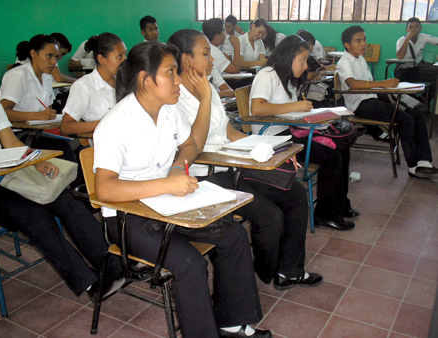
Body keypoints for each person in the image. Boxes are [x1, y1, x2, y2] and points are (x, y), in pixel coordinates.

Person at [93, 41, 271, 338]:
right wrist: (167, 183)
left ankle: (232, 322)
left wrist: (178, 167)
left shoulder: (167, 110)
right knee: (189, 263)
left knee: (234, 235)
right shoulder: (116, 124)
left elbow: (189, 145)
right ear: (144, 79)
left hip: (167, 204)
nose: (178, 81)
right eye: (170, 73)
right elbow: (105, 190)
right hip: (128, 219)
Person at [168, 29, 322, 292]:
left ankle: (290, 271)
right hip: (206, 173)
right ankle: (264, 271)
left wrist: (270, 150)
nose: (213, 60)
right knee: (270, 216)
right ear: (185, 60)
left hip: (234, 163)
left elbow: (229, 133)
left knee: (295, 194)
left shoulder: (209, 89)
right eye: (206, 54)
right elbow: (193, 148)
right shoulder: (174, 98)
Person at [0, 92, 123, 300]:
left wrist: (36, 160)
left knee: (65, 200)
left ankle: (112, 265)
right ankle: (89, 284)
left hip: (7, 176)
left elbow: (10, 142)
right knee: (33, 215)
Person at [249, 35, 357, 231]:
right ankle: (326, 215)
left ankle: (340, 205)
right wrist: (295, 106)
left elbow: (289, 112)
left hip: (289, 132)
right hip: (273, 140)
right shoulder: (268, 74)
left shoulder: (288, 78)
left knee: (342, 148)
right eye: (303, 60)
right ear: (289, 57)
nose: (306, 66)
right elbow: (257, 108)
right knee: (331, 158)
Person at [337, 25, 438, 179]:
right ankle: (413, 166)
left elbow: (369, 83)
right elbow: (352, 83)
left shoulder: (360, 58)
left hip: (372, 98)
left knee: (417, 113)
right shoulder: (345, 62)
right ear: (347, 45)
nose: (364, 44)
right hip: (360, 105)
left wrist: (387, 86)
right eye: (358, 41)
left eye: (364, 40)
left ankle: (424, 161)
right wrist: (383, 83)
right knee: (406, 120)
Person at [0, 34, 78, 172]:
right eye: (49, 56)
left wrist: (50, 115)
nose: (54, 62)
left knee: (77, 142)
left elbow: (47, 109)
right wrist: (36, 115)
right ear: (33, 54)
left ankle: (73, 187)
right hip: (16, 135)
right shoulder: (18, 76)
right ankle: (71, 190)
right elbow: (2, 113)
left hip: (38, 132)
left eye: (56, 57)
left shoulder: (46, 76)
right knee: (63, 147)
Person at [60, 33, 126, 137]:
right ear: (101, 59)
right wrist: (104, 123)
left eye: (124, 55)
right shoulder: (84, 86)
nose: (124, 60)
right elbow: (65, 127)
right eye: (119, 56)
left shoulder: (124, 83)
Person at [395, 17, 438, 99]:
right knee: (407, 97)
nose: (413, 29)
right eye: (410, 27)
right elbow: (399, 57)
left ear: (420, 28)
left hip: (418, 69)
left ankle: (424, 98)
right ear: (407, 29)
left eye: (416, 26)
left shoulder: (424, 37)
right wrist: (407, 39)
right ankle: (414, 104)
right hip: (404, 71)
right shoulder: (401, 40)